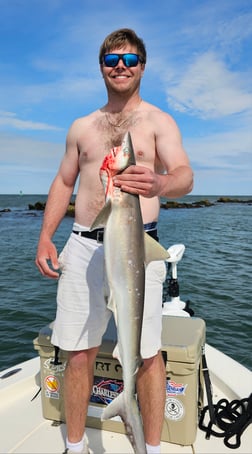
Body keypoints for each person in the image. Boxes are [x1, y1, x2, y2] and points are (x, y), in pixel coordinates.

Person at [35, 28, 193, 454]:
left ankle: (153, 447)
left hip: (139, 246)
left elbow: (184, 175)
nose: (120, 66)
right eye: (111, 60)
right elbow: (63, 180)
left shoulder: (160, 121)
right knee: (77, 351)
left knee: (147, 355)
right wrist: (46, 237)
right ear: (101, 67)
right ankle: (74, 445)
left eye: (129, 59)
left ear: (142, 66)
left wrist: (159, 182)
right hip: (84, 244)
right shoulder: (82, 126)